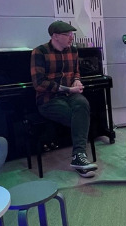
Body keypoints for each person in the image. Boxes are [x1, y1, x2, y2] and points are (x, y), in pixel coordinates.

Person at [32, 21, 97, 177]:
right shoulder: (39, 52)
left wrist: (77, 80)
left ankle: (78, 156)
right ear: (55, 36)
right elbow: (39, 83)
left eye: (71, 35)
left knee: (83, 103)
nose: (71, 38)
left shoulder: (73, 51)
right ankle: (80, 159)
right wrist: (68, 89)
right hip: (48, 99)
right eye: (67, 35)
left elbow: (76, 72)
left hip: (70, 95)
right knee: (79, 117)